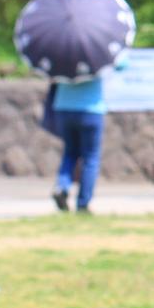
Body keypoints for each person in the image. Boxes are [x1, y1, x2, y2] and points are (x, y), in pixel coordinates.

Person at [49, 75, 108, 214]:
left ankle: (62, 187)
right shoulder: (97, 55)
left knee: (70, 153)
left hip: (63, 107)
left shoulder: (61, 54)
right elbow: (120, 63)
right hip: (91, 108)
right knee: (91, 157)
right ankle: (83, 203)